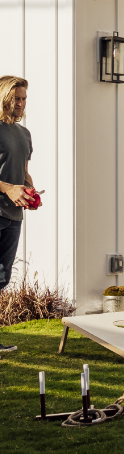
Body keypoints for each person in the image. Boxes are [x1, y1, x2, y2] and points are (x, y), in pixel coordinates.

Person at [0, 76, 32, 354]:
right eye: (16, 98)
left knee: (1, 277)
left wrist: (30, 190)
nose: (20, 104)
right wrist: (9, 188)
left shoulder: (24, 134)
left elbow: (21, 169)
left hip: (14, 216)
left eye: (23, 99)